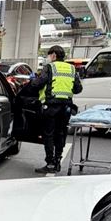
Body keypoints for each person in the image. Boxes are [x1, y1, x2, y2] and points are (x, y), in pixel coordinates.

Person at [24, 45, 83, 174]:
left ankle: (50, 163)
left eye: (49, 55)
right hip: (66, 107)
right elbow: (78, 89)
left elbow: (38, 84)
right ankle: (57, 162)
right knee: (60, 134)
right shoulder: (72, 69)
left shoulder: (50, 67)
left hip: (51, 107)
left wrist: (33, 79)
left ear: (54, 55)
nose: (48, 58)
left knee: (48, 135)